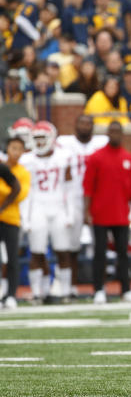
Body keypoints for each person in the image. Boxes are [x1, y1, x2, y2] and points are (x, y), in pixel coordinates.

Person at [83, 121, 131, 305]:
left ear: (122, 134)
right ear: (108, 133)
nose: (115, 134)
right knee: (100, 252)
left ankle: (126, 289)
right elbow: (88, 187)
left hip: (122, 214)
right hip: (100, 213)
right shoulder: (96, 157)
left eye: (118, 131)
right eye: (112, 131)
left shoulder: (128, 157)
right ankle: (99, 289)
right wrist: (86, 211)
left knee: (123, 253)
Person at [21, 121, 72, 303]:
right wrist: (25, 217)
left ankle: (65, 291)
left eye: (43, 138)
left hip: (58, 206)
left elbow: (69, 188)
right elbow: (26, 192)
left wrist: (69, 212)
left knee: (63, 251)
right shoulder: (26, 160)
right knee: (36, 252)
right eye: (37, 139)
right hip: (38, 207)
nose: (40, 143)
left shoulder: (64, 156)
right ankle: (38, 293)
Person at [57, 115, 108, 297]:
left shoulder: (102, 143)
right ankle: (70, 286)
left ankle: (100, 287)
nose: (85, 126)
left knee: (100, 246)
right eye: (82, 122)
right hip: (72, 199)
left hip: (97, 199)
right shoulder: (64, 143)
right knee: (72, 247)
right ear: (75, 125)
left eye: (88, 123)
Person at [0, 138, 28, 309]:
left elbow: (16, 188)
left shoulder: (5, 167)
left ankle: (11, 294)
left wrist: (2, 206)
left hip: (10, 217)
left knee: (11, 258)